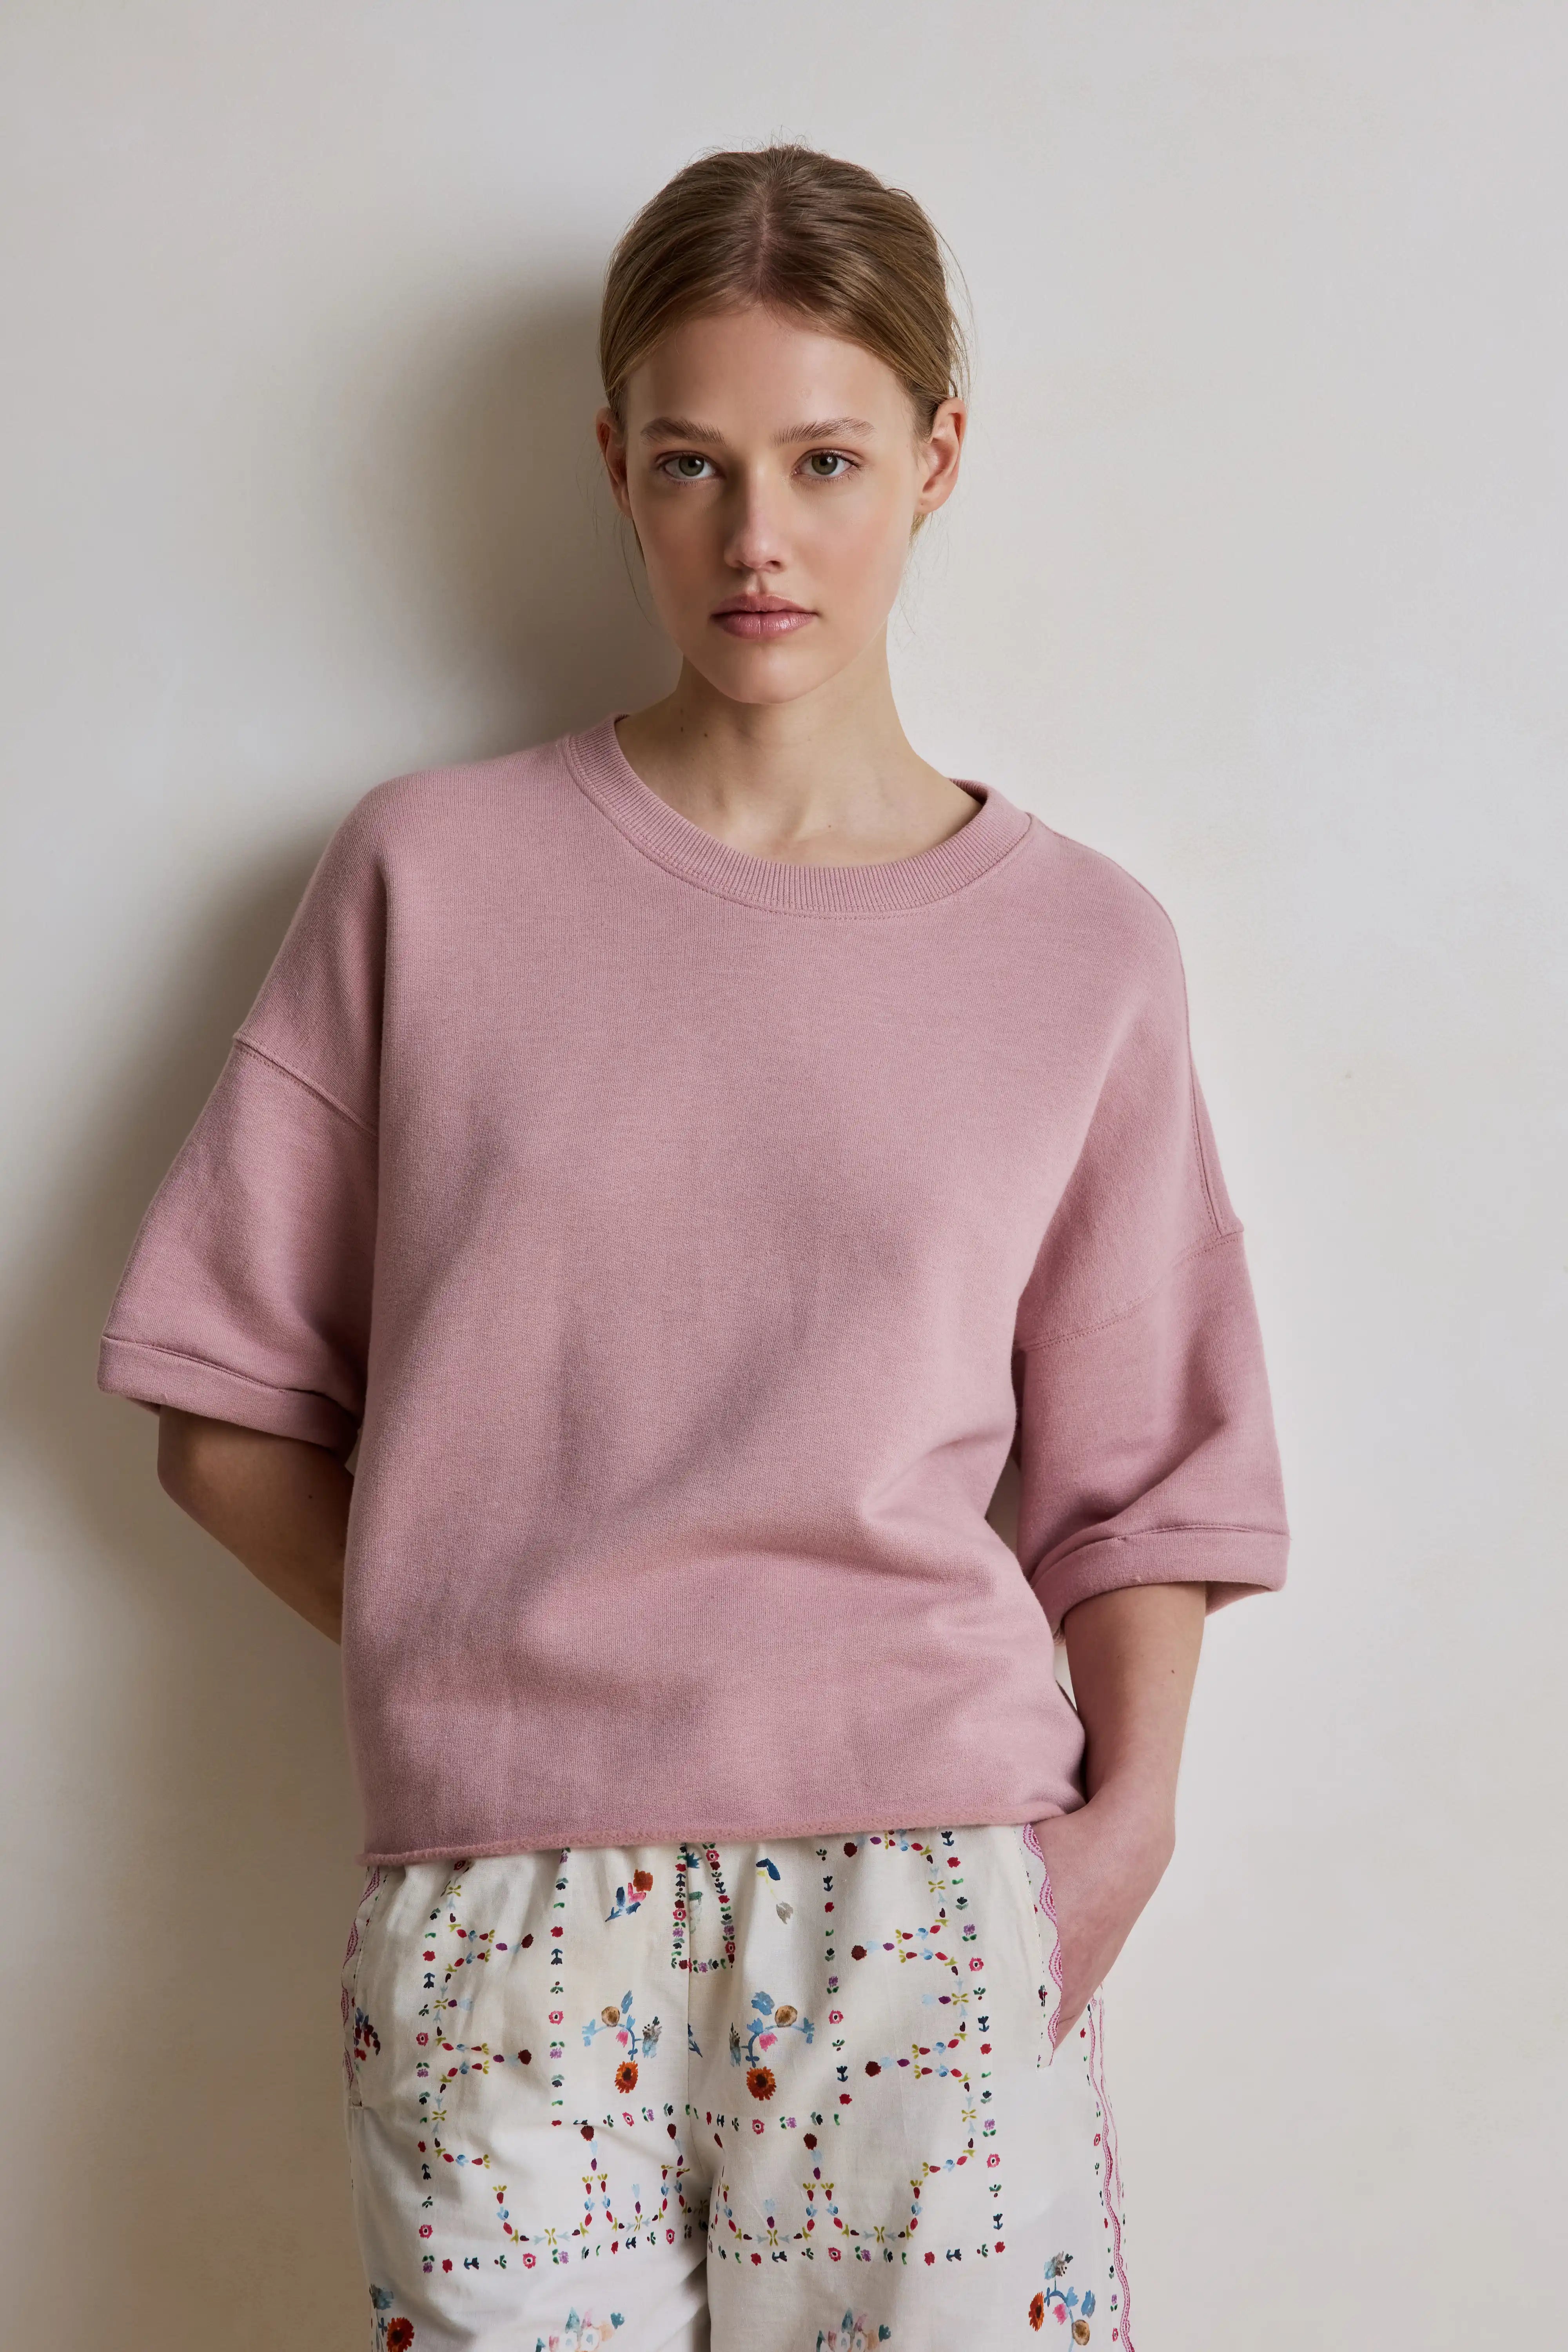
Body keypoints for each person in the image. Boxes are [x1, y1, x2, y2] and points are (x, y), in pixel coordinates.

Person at [98, 143, 1288, 2352]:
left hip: (933, 1898)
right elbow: (221, 1412)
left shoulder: (1084, 952)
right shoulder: (429, 879)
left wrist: (1121, 1840)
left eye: (826, 460)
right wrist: (495, 1654)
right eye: (693, 463)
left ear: (936, 459)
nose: (758, 537)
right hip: (506, 1914)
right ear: (615, 470)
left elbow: (1146, 1485)